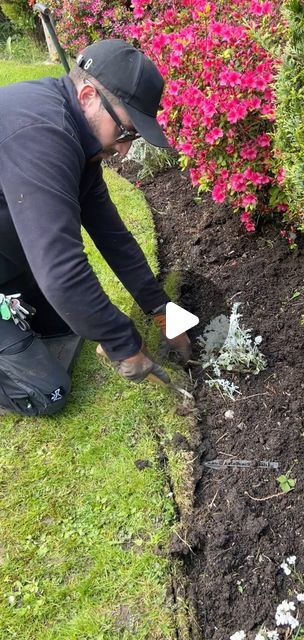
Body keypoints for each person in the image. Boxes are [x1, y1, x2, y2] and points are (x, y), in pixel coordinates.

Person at [0, 39, 191, 416]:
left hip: (8, 261)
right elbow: (61, 271)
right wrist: (123, 343)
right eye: (125, 133)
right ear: (88, 96)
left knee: (67, 324)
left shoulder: (74, 132)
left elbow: (112, 234)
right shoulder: (41, 135)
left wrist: (159, 307)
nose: (123, 150)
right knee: (45, 392)